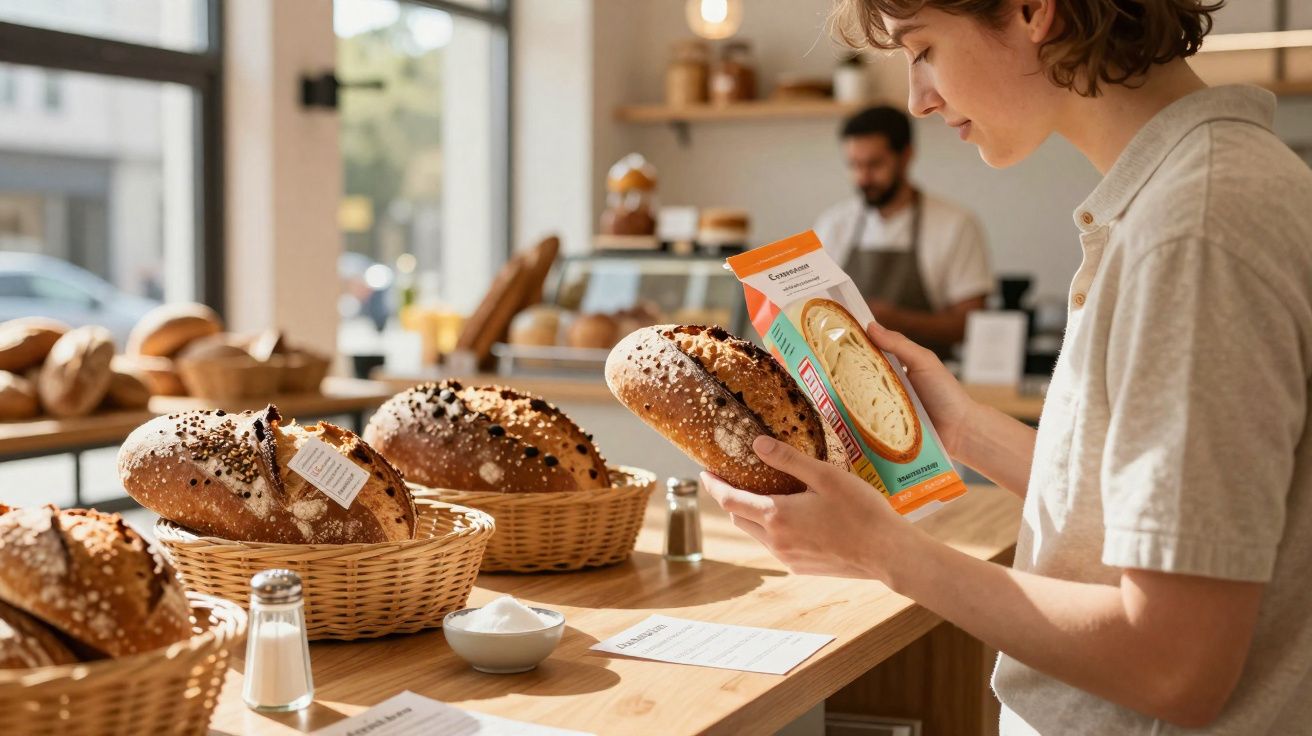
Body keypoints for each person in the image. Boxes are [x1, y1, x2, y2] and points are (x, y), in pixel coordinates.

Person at [703, 1, 1312, 733]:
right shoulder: (1197, 196)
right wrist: (960, 428)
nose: (916, 98)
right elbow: (1128, 513)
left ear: (1031, 10)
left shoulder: (1193, 232)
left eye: (922, 49)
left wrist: (883, 551)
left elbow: (1173, 662)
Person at [814, 105, 992, 357]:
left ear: (906, 155)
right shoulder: (834, 225)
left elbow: (971, 323)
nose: (863, 178)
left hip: (930, 386)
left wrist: (898, 320)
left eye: (875, 164)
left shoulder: (955, 224)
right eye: (854, 165)